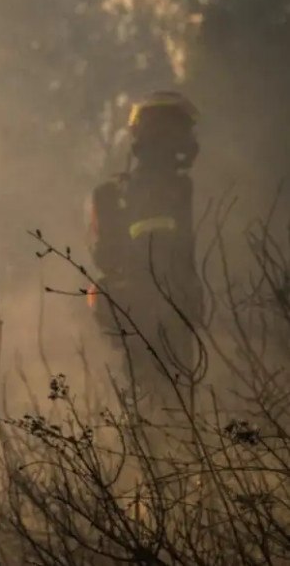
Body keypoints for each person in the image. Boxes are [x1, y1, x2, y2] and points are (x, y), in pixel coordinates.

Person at [86, 91, 204, 412]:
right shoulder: (170, 187)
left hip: (137, 312)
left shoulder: (117, 191)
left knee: (148, 403)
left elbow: (105, 256)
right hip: (161, 311)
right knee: (169, 403)